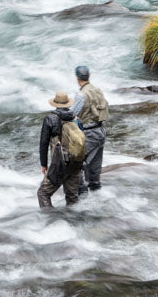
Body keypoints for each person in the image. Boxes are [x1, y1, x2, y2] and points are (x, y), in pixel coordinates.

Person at [37, 91, 85, 208]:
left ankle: (51, 221)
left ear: (55, 104)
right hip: (76, 163)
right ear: (68, 104)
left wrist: (44, 165)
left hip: (60, 163)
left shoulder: (50, 119)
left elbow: (44, 143)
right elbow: (82, 141)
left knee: (43, 193)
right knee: (72, 196)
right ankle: (75, 222)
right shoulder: (76, 119)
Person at [74, 65, 109, 193]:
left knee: (75, 164)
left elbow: (72, 114)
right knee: (95, 165)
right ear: (88, 76)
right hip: (101, 131)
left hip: (89, 133)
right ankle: (96, 191)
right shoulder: (98, 90)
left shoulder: (81, 95)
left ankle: (81, 193)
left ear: (77, 77)